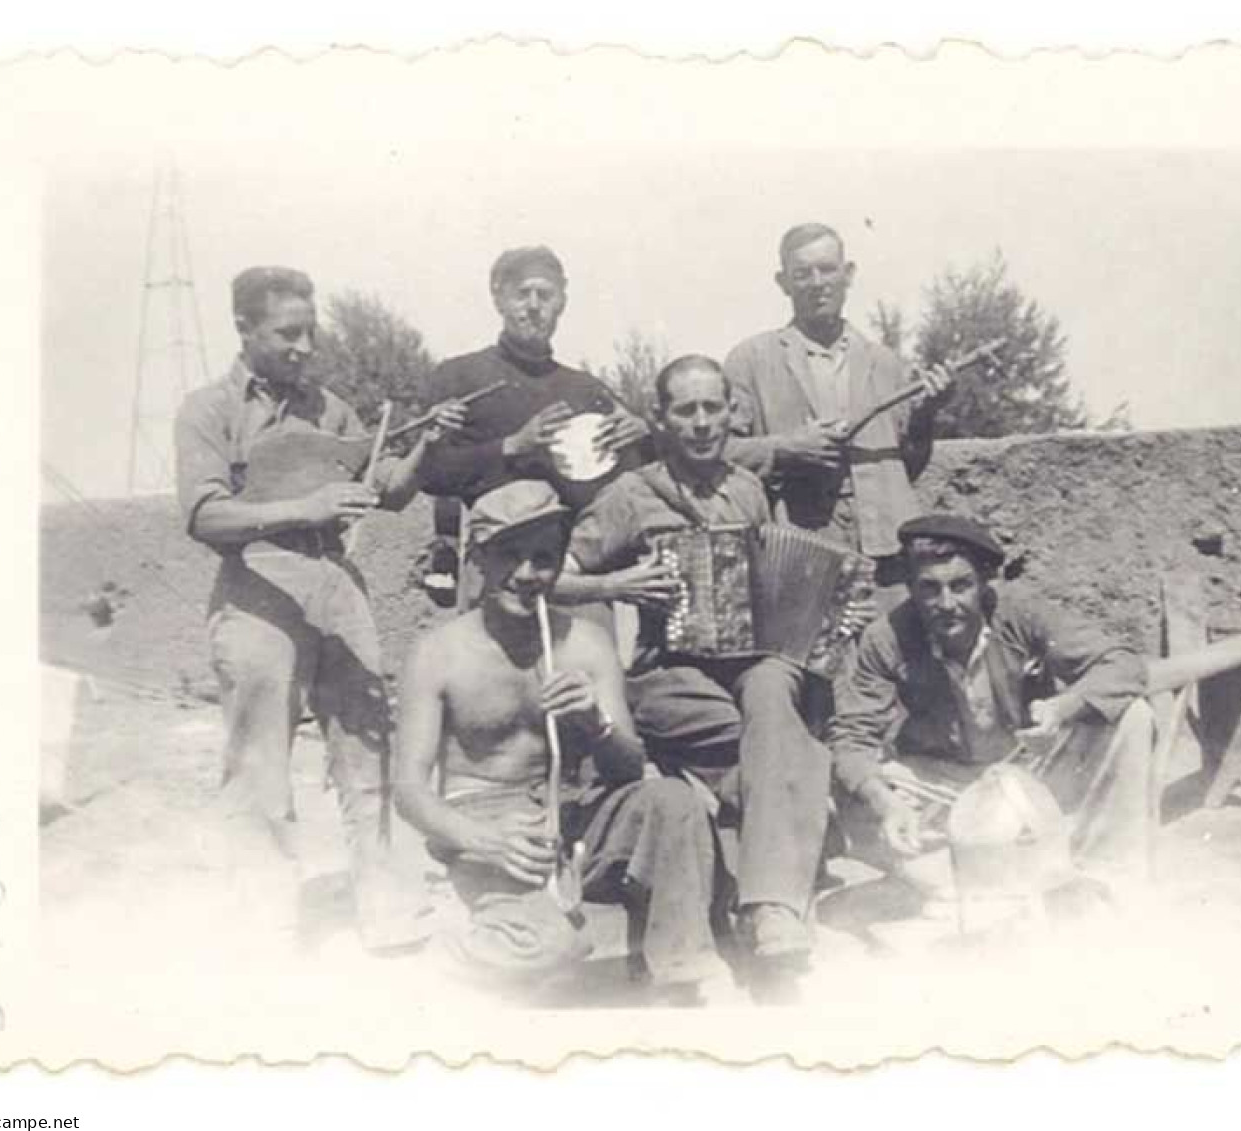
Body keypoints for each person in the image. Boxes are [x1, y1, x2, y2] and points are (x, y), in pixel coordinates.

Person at [173, 265, 466, 952]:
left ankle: (382, 900)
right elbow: (203, 514)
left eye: (311, 331)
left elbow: (383, 492)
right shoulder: (209, 410)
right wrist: (306, 507)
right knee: (259, 756)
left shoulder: (329, 408)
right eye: (286, 333)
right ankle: (263, 913)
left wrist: (426, 443)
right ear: (244, 328)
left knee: (367, 738)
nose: (304, 347)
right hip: (257, 587)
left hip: (336, 579)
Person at [556, 355, 872, 965]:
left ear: (732, 413)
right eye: (686, 410)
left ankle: (762, 905)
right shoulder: (629, 494)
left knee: (776, 685)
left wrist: (835, 617)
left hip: (749, 661)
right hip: (666, 673)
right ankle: (772, 891)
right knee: (776, 748)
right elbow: (554, 578)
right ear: (661, 418)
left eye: (712, 408)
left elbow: (786, 589)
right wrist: (616, 585)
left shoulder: (748, 490)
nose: (701, 423)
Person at [392, 480, 724, 993]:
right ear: (478, 559)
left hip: (574, 819)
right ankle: (450, 951)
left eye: (544, 558)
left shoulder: (587, 645)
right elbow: (409, 791)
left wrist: (598, 723)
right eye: (509, 556)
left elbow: (628, 769)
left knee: (674, 800)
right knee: (552, 948)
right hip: (488, 829)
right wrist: (484, 840)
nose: (527, 575)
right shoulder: (438, 653)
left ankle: (679, 979)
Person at [829, 513, 1155, 890]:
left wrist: (1060, 708)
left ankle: (1108, 871)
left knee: (1132, 716)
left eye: (961, 586)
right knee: (860, 788)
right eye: (929, 589)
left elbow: (1123, 664)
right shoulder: (886, 638)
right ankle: (1002, 855)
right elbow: (853, 739)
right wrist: (888, 805)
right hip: (947, 780)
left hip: (1032, 764)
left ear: (983, 584)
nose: (946, 603)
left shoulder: (1022, 612)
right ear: (912, 590)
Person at [723, 223, 949, 608]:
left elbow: (907, 465)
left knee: (889, 658)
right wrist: (785, 450)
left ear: (848, 274)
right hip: (800, 549)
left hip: (886, 551)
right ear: (783, 283)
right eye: (802, 273)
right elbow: (719, 453)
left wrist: (926, 415)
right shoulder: (751, 360)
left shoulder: (885, 363)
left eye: (827, 269)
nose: (817, 283)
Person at [418, 245, 651, 512]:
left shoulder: (586, 389)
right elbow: (430, 474)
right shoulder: (460, 376)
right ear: (499, 300)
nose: (533, 306)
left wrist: (643, 434)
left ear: (561, 303)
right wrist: (512, 445)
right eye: (522, 294)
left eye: (545, 295)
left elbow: (642, 472)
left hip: (577, 547)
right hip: (488, 546)